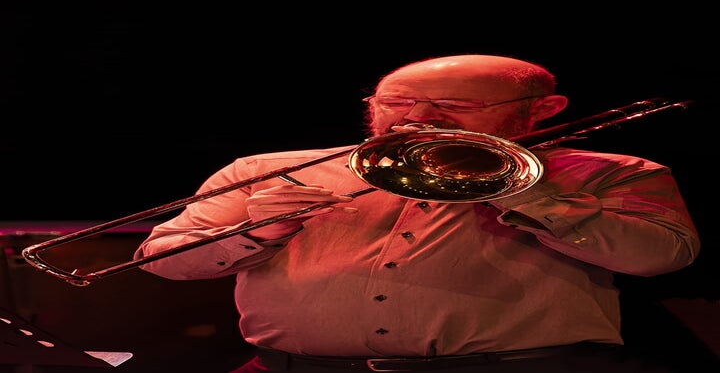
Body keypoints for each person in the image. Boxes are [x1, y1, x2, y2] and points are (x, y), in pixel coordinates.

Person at [134, 54, 701, 372]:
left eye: (455, 105)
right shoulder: (269, 168)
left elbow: (659, 259)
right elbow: (160, 260)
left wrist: (521, 192)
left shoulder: (612, 171)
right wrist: (257, 230)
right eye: (395, 103)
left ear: (542, 109)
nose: (418, 117)